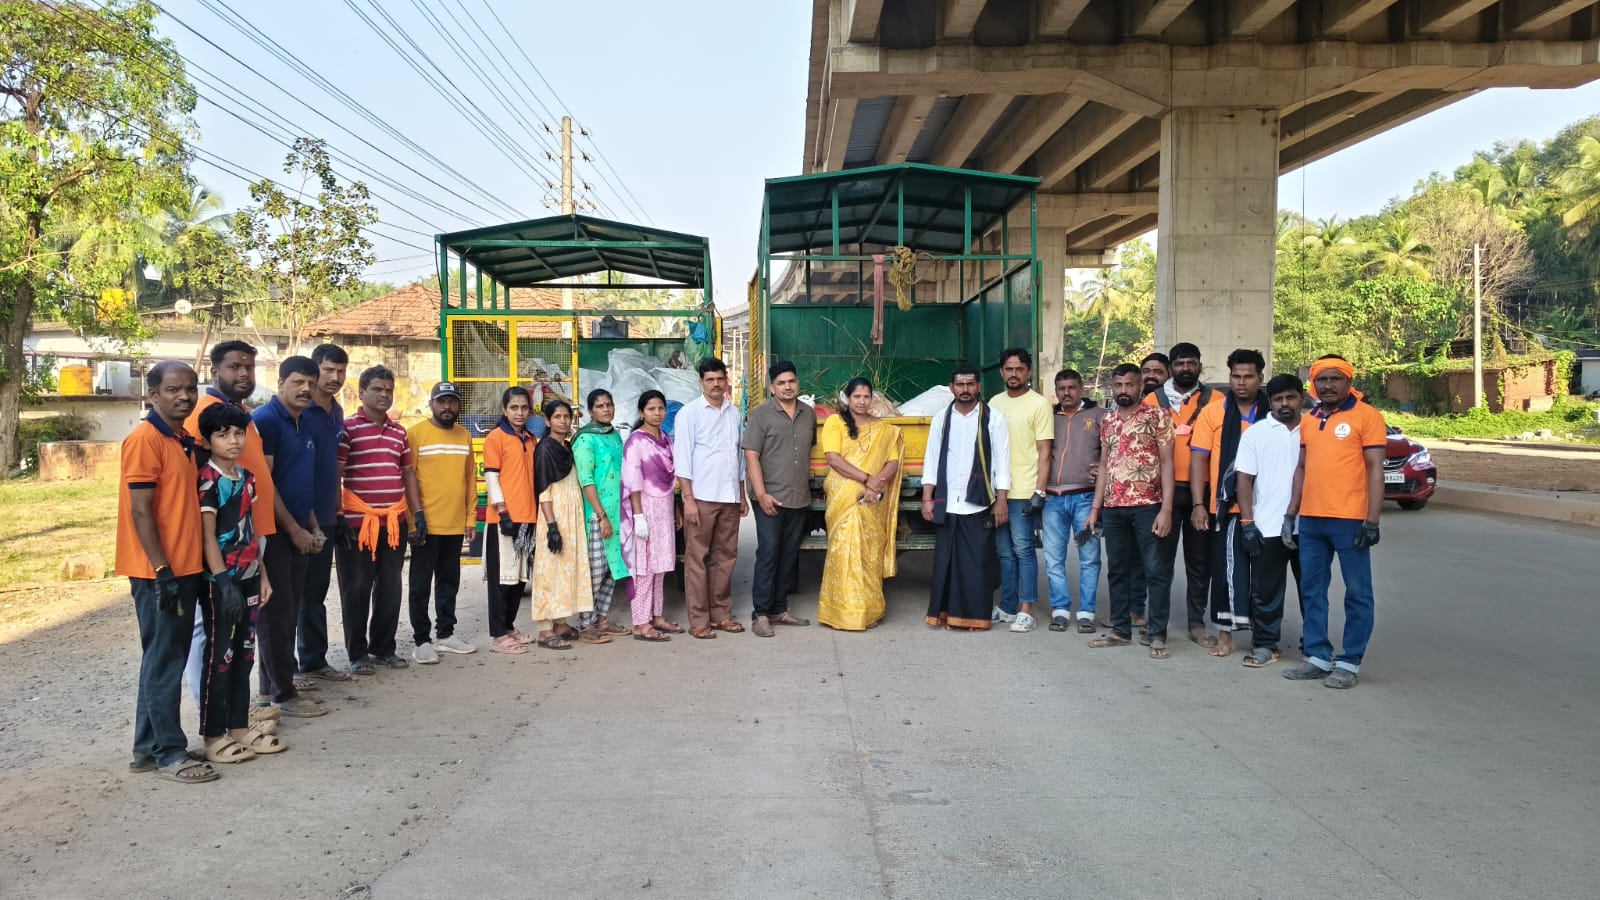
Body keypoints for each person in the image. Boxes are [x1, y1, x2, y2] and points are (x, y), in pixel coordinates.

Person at [119, 361, 215, 783]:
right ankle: (170, 754)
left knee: (163, 657)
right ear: (153, 393)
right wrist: (161, 570)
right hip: (158, 570)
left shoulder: (180, 439)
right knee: (165, 661)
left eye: (190, 388)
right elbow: (141, 511)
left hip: (184, 565)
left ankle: (147, 749)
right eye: (174, 389)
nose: (184, 396)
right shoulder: (145, 440)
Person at [182, 341, 277, 717]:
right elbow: (200, 478)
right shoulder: (202, 413)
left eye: (249, 367)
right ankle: (210, 710)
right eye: (234, 367)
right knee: (208, 628)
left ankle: (235, 709)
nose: (243, 374)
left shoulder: (242, 415)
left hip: (251, 536)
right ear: (215, 370)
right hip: (219, 543)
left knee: (242, 632)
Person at [1283, 356, 1387, 689]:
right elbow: (1302, 468)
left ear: (1348, 382)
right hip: (1312, 520)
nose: (1328, 385)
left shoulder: (1367, 416)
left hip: (1351, 520)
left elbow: (1375, 469)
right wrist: (1290, 514)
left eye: (1335, 379)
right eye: (1321, 380)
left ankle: (1349, 662)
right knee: (1312, 589)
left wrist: (1372, 521)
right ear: (1313, 384)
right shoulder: (1310, 420)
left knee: (1357, 592)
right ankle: (1317, 656)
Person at [194, 402, 283, 763]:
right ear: (207, 440)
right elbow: (207, 537)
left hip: (249, 578)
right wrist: (223, 583)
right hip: (221, 583)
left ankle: (239, 728)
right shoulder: (208, 480)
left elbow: (250, 529)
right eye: (222, 434)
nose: (233, 440)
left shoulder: (246, 478)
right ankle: (213, 735)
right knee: (220, 658)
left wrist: (263, 576)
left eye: (237, 433)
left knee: (245, 655)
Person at [252, 357, 330, 718]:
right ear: (280, 382)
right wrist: (295, 531)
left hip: (299, 530)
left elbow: (301, 484)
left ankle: (270, 689)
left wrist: (312, 526)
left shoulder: (303, 424)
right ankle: (282, 694)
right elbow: (265, 485)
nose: (306, 389)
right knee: (275, 616)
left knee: (288, 611)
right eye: (298, 382)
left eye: (311, 383)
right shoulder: (267, 421)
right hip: (274, 534)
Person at [334, 365, 422, 674]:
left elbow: (407, 473)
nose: (384, 395)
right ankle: (357, 654)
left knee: (390, 586)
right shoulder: (347, 429)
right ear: (361, 393)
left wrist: (417, 513)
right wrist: (338, 515)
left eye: (388, 390)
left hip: (394, 523)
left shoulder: (399, 432)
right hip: (357, 524)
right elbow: (336, 473)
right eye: (377, 389)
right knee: (356, 588)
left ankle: (384, 648)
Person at [1087, 363, 1176, 660]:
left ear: (1140, 386)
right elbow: (1104, 466)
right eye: (1118, 385)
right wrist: (1095, 508)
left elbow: (1168, 464)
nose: (1123, 390)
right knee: (1117, 570)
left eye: (1129, 384)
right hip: (1114, 508)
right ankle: (1121, 630)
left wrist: (1166, 509)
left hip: (1148, 505)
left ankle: (1157, 634)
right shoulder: (1108, 419)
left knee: (1155, 571)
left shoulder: (1157, 416)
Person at [1188, 348, 1268, 658]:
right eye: (1236, 376)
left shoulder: (1272, 413)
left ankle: (1264, 637)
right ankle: (1226, 636)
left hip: (1267, 507)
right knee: (1225, 573)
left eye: (1248, 376)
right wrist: (1198, 504)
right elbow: (1199, 460)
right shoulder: (1214, 412)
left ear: (1260, 378)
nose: (1241, 382)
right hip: (1225, 506)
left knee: (1264, 574)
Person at [922, 364, 1011, 631]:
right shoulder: (941, 418)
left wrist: (1002, 499)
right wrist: (927, 497)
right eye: (960, 384)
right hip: (949, 500)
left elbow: (1002, 461)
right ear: (952, 388)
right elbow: (932, 458)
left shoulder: (993, 418)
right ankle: (947, 615)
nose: (965, 389)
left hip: (979, 500)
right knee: (946, 563)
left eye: (970, 384)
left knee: (976, 564)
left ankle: (975, 618)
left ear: (978, 386)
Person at [1144, 342, 1217, 648]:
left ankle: (1196, 624)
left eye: (1191, 363)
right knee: (1159, 563)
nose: (1186, 368)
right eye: (1180, 363)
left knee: (1200, 563)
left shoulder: (1217, 400)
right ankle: (1156, 625)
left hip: (1203, 493)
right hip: (1164, 494)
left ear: (1200, 365)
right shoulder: (1151, 400)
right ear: (1171, 367)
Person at [817, 377, 904, 631]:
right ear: (848, 398)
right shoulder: (835, 422)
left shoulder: (884, 429)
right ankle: (841, 613)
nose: (862, 401)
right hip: (844, 496)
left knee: (869, 553)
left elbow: (893, 462)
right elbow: (833, 459)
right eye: (857, 396)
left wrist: (876, 484)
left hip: (872, 497)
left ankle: (871, 611)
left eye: (866, 397)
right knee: (844, 552)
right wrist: (867, 479)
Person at [1234, 374, 1307, 669]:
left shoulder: (1314, 429)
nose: (1284, 404)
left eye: (1290, 397)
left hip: (1310, 526)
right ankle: (1265, 644)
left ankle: (1313, 644)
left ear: (1302, 398)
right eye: (1278, 399)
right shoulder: (1256, 433)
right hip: (1267, 525)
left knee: (1311, 590)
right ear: (1271, 401)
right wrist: (1247, 522)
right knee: (1265, 591)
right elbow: (1244, 479)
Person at [673, 358, 748, 640]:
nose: (716, 384)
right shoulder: (689, 414)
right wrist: (688, 500)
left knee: (725, 558)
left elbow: (738, 457)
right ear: (701, 382)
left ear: (726, 380)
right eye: (710, 379)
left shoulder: (733, 412)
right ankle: (699, 619)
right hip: (701, 497)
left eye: (720, 379)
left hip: (729, 497)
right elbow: (682, 460)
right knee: (697, 559)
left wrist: (741, 495)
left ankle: (721, 614)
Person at [406, 382, 479, 664]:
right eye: (441, 401)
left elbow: (469, 480)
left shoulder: (464, 436)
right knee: (420, 584)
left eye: (452, 401)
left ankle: (446, 634)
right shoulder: (416, 434)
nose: (447, 407)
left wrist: (470, 518)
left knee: (449, 582)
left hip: (455, 524)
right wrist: (413, 521)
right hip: (426, 525)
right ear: (431, 404)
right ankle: (421, 640)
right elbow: (408, 479)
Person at [742, 360, 816, 637]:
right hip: (770, 497)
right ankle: (760, 614)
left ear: (798, 383)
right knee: (769, 553)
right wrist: (761, 495)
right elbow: (751, 456)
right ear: (772, 388)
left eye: (791, 381)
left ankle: (779, 609)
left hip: (798, 496)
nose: (787, 387)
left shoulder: (808, 414)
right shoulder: (760, 415)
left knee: (788, 555)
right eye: (781, 383)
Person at [297, 343, 351, 686]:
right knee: (290, 595)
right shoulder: (300, 410)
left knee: (315, 592)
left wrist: (338, 511)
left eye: (341, 371)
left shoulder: (337, 411)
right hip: (296, 517)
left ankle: (313, 660)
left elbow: (334, 467)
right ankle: (282, 672)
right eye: (328, 370)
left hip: (327, 517)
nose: (335, 377)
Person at [988, 348, 1053, 633]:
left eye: (1019, 369)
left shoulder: (1039, 404)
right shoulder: (994, 403)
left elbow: (1045, 452)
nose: (1013, 374)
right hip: (997, 491)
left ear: (1029, 372)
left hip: (1025, 490)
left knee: (1024, 549)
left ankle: (1026, 609)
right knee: (1004, 552)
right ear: (1001, 372)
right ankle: (1007, 606)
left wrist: (1040, 491)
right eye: (1009, 369)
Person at [1042, 368, 1105, 634]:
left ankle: (1086, 613)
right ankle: (1060, 610)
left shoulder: (1100, 416)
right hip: (1053, 499)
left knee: (1089, 558)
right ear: (1056, 391)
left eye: (1072, 387)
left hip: (1085, 497)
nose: (1066, 393)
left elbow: (1112, 451)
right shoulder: (1048, 416)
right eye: (1061, 388)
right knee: (1053, 558)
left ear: (1082, 389)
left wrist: (1103, 468)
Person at [530, 400, 596, 649]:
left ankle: (560, 622)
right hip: (554, 515)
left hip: (572, 516)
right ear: (547, 421)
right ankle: (545, 630)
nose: (563, 421)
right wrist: (552, 527)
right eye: (557, 417)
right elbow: (543, 490)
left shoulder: (566, 446)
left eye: (567, 417)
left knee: (566, 569)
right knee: (549, 572)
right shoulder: (545, 449)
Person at [622, 391, 685, 642]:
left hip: (665, 507)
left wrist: (676, 509)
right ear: (642, 413)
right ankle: (641, 622)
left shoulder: (666, 439)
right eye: (651, 409)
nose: (657, 413)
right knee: (644, 568)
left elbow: (672, 479)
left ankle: (657, 616)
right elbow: (633, 481)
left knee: (660, 566)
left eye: (660, 408)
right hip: (645, 508)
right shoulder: (636, 441)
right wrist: (638, 516)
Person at [573, 389, 633, 641]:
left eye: (609, 404)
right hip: (597, 515)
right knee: (595, 571)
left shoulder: (614, 435)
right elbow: (586, 480)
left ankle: (602, 619)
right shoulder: (585, 439)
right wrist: (601, 515)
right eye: (600, 406)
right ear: (590, 411)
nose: (606, 409)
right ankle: (586, 625)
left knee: (612, 568)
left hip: (619, 513)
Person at [483, 387, 538, 655]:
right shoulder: (496, 437)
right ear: (505, 410)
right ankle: (497, 636)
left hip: (528, 518)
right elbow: (491, 477)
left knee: (518, 579)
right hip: (503, 520)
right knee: (501, 580)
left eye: (524, 408)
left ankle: (508, 627)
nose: (519, 413)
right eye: (514, 408)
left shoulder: (531, 439)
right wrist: (502, 511)